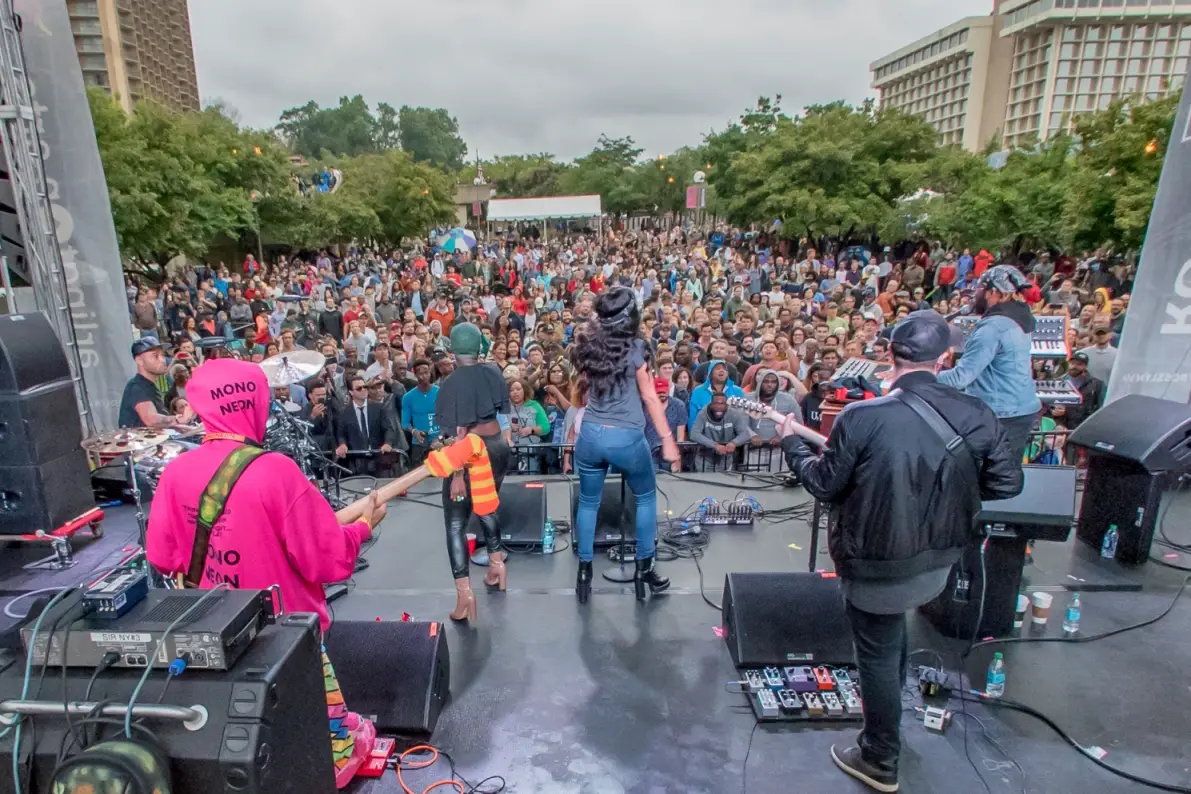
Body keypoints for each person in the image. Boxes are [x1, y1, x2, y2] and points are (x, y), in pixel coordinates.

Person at [779, 311, 1024, 793]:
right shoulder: (976, 412)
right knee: (892, 635)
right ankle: (891, 722)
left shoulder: (862, 416)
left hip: (876, 564)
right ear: (945, 358)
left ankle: (879, 758)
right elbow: (1006, 483)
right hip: (938, 560)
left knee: (874, 654)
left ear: (888, 354)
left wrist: (792, 443)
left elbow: (824, 485)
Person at [146, 358, 386, 787]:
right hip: (287, 639)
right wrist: (362, 529)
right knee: (320, 747)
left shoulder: (176, 472)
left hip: (215, 631)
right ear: (254, 405)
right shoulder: (276, 472)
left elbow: (163, 557)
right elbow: (324, 559)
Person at [569, 287, 681, 603]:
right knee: (645, 498)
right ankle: (644, 572)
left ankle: (584, 572)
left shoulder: (587, 345)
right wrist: (668, 440)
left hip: (590, 434)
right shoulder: (636, 347)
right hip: (626, 437)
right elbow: (648, 396)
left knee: (589, 502)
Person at [433, 323, 512, 622]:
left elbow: (460, 430)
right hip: (498, 446)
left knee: (455, 524)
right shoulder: (493, 371)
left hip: (472, 451)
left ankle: (464, 597)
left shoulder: (452, 383)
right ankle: (497, 567)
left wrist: (456, 475)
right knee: (487, 507)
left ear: (452, 352)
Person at [937, 265, 1042, 463]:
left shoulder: (992, 327)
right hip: (1021, 411)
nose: (975, 295)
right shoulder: (1020, 319)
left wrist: (918, 376)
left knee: (984, 476)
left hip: (1000, 414)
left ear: (995, 292)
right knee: (1005, 477)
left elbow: (961, 377)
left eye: (979, 289)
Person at [118, 337, 192, 428]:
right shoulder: (137, 387)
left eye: (163, 355)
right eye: (155, 356)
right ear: (139, 360)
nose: (162, 360)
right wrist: (178, 419)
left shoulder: (148, 386)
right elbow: (151, 419)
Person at [334, 374, 398, 475]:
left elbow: (388, 429)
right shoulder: (344, 412)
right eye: (359, 388)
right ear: (351, 392)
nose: (363, 390)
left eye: (365, 387)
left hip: (378, 459)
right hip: (356, 462)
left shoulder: (379, 408)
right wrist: (342, 444)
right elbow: (341, 433)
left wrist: (387, 443)